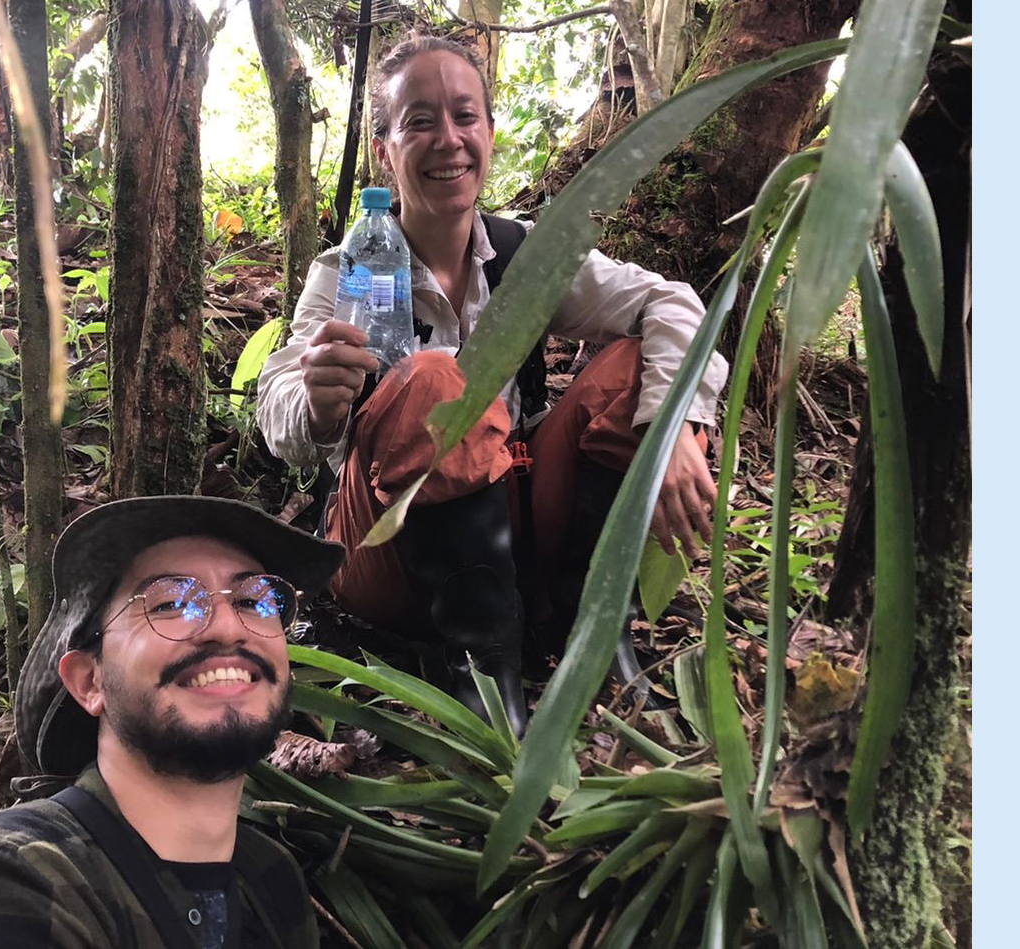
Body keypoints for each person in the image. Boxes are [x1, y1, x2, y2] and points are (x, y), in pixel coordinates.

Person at [256, 36, 729, 736]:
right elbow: (279, 401)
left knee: (634, 369)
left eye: (464, 116)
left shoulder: (523, 253)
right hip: (385, 549)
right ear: (384, 148)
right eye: (419, 121)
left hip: (512, 540)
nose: (448, 140)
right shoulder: (352, 268)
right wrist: (317, 403)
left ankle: (591, 635)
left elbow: (670, 302)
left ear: (489, 133)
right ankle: (484, 682)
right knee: (437, 379)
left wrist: (675, 425)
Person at [0, 496, 344, 949]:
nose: (229, 627)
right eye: (169, 604)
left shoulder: (273, 879)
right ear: (89, 681)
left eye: (254, 601)